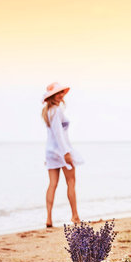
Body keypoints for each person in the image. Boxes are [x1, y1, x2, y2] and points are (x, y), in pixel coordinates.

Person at [41, 82, 84, 227]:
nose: (61, 95)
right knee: (71, 182)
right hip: (61, 150)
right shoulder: (56, 111)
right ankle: (75, 216)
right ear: (52, 96)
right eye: (57, 93)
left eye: (61, 93)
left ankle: (48, 218)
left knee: (52, 184)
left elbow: (53, 135)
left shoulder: (48, 111)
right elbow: (59, 134)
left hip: (50, 151)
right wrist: (66, 153)